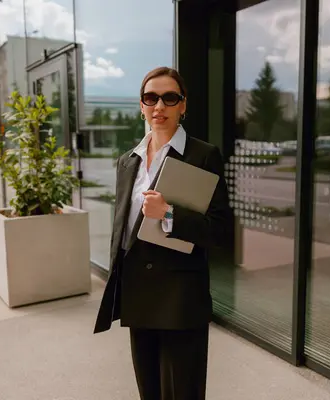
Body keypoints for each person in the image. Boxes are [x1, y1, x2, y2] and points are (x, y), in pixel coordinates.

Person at [93, 66, 232, 400]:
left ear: (183, 105)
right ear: (141, 105)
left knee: (183, 392)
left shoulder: (202, 156)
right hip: (138, 293)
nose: (159, 107)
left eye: (170, 98)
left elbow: (221, 232)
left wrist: (169, 213)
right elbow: (121, 227)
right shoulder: (128, 161)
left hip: (180, 297)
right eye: (150, 98)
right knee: (150, 392)